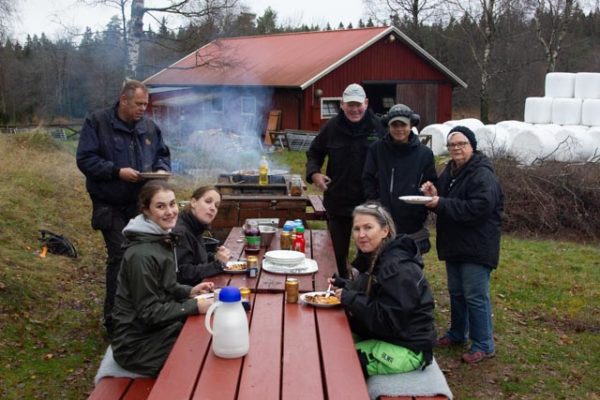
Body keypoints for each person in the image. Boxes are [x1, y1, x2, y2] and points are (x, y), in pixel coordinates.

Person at [76, 79, 171, 335]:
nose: (143, 109)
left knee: (145, 257)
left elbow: (163, 154)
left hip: (141, 205)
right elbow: (85, 159)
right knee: (120, 257)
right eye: (138, 104)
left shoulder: (149, 127)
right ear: (123, 100)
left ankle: (144, 313)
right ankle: (115, 322)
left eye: (145, 104)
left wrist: (161, 169)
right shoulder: (98, 122)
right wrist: (116, 171)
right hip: (110, 205)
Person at [111, 180, 214, 376]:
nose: (170, 212)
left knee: (210, 338)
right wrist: (194, 306)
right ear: (145, 210)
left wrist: (189, 291)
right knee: (203, 362)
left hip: (158, 331)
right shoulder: (141, 255)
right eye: (160, 206)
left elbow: (165, 286)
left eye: (172, 204)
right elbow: (149, 312)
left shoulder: (159, 238)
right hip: (137, 346)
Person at [420, 125, 504, 364]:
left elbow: (478, 208)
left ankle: (484, 344)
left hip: (477, 245)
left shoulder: (482, 174)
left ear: (472, 146)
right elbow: (446, 198)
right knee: (456, 292)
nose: (456, 148)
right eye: (452, 145)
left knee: (475, 296)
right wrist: (434, 192)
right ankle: (458, 333)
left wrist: (440, 203)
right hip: (455, 243)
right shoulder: (452, 170)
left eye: (461, 144)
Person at [330, 202, 436, 377]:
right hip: (391, 336)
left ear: (385, 231)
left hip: (407, 348)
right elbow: (377, 294)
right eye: (357, 229)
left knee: (335, 362)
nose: (361, 235)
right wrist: (345, 286)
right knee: (329, 340)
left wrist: (351, 299)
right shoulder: (379, 255)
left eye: (368, 227)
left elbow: (389, 321)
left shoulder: (396, 268)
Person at [306, 83, 386, 278]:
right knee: (336, 253)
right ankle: (339, 287)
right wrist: (315, 173)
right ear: (342, 104)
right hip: (338, 201)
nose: (354, 109)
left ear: (366, 103)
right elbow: (314, 153)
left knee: (369, 253)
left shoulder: (379, 127)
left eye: (358, 104)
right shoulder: (331, 127)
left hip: (369, 202)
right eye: (350, 105)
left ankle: (363, 287)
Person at [363, 103, 437, 254]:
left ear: (411, 125)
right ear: (388, 126)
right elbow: (367, 179)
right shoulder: (377, 149)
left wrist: (429, 190)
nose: (399, 129)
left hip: (413, 226)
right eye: (394, 125)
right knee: (380, 264)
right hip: (382, 221)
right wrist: (375, 205)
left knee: (411, 266)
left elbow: (431, 182)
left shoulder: (425, 154)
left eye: (403, 125)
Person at [173, 186, 232, 285]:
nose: (213, 208)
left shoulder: (196, 226)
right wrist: (217, 265)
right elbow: (183, 273)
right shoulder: (181, 231)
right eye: (208, 201)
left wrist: (215, 257)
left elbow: (197, 258)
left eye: (216, 206)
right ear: (193, 202)